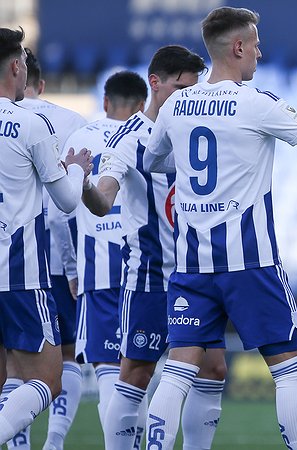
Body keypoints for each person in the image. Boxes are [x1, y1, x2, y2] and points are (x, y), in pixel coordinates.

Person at [142, 7, 297, 449]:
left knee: (177, 372)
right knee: (288, 371)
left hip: (193, 266)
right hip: (250, 263)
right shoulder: (255, 103)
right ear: (237, 47)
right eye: (254, 44)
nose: (259, 52)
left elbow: (152, 160)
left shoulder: (175, 104)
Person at [82, 45, 227, 450]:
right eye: (180, 89)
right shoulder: (128, 138)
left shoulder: (193, 128)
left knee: (214, 369)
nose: (186, 98)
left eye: (192, 90)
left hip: (197, 275)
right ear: (155, 83)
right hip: (150, 276)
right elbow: (104, 200)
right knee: (137, 374)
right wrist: (83, 185)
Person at [0, 27, 92, 443]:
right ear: (16, 68)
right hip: (19, 273)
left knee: (8, 379)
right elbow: (68, 201)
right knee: (47, 379)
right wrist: (76, 169)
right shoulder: (31, 123)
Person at [66, 70, 147, 433]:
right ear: (142, 105)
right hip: (143, 265)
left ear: (105, 102)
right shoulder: (147, 135)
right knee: (141, 368)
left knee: (109, 370)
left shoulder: (79, 138)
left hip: (98, 268)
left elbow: (63, 206)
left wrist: (71, 267)